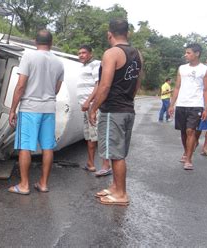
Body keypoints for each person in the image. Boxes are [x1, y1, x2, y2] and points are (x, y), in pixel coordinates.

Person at [89, 19, 143, 206]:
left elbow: (104, 86)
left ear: (109, 34)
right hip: (128, 109)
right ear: (127, 33)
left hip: (113, 110)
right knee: (117, 151)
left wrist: (93, 108)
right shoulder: (138, 54)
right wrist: (127, 100)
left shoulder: (111, 53)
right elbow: (137, 84)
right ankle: (115, 187)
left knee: (116, 154)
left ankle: (121, 194)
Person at [8, 30, 64, 195]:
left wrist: (12, 110)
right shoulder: (59, 63)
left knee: (25, 146)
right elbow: (57, 89)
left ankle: (24, 185)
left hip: (30, 108)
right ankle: (43, 184)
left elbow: (20, 86)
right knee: (48, 147)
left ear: (35, 42)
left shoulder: (29, 57)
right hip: (49, 109)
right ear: (51, 43)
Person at [168, 44, 207, 170]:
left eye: (188, 53)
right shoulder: (182, 68)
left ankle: (189, 159)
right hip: (181, 104)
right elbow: (177, 87)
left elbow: (206, 90)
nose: (185, 55)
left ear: (197, 54)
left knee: (190, 130)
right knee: (183, 132)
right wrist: (172, 104)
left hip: (196, 104)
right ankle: (186, 151)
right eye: (185, 53)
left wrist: (206, 109)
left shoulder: (204, 69)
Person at [76, 45, 111, 176]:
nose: (81, 55)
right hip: (86, 108)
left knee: (99, 135)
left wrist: (88, 102)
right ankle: (90, 164)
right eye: (79, 53)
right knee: (90, 137)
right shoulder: (83, 67)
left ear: (91, 53)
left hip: (93, 107)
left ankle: (105, 165)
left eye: (84, 52)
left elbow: (99, 84)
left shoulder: (95, 64)